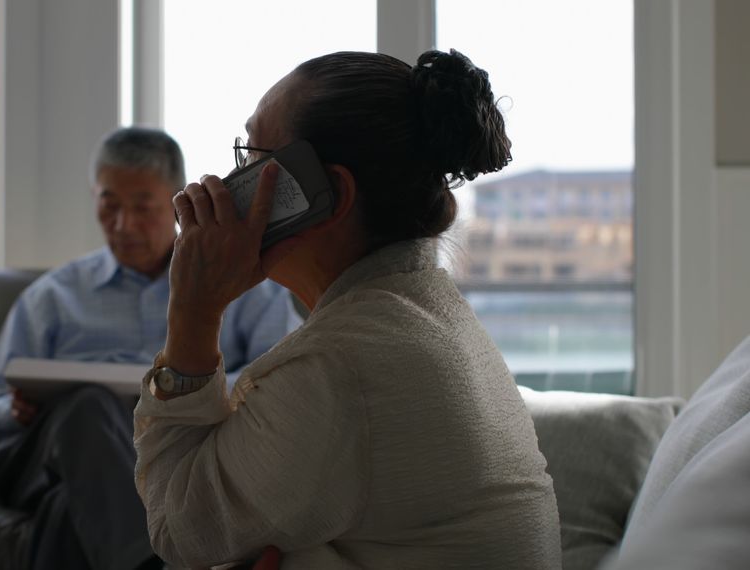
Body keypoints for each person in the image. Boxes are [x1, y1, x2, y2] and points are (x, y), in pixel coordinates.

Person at [134, 50, 562, 568]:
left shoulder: (338, 367)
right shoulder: (432, 317)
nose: (228, 183)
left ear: (327, 192)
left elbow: (178, 531)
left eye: (251, 157)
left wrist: (193, 314)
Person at [0, 127, 301, 570]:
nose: (124, 226)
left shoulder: (244, 285)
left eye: (143, 208)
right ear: (94, 197)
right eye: (109, 206)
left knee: (68, 509)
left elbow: (284, 379)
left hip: (170, 462)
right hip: (40, 457)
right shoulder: (53, 296)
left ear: (177, 202)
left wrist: (193, 390)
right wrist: (13, 412)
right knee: (86, 407)